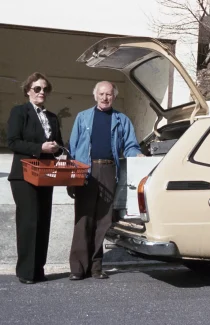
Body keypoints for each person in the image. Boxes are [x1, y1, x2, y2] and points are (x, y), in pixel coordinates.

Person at [67, 81, 143, 280]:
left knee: (103, 220)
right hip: (86, 171)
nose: (105, 97)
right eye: (101, 94)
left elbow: (130, 145)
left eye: (109, 94)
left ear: (114, 97)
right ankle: (77, 268)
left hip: (109, 170)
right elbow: (73, 149)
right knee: (83, 219)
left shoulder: (122, 119)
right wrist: (72, 176)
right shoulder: (83, 117)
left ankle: (95, 267)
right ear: (95, 95)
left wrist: (137, 155)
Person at [7, 72, 63, 284]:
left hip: (45, 174)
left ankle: (39, 269)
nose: (41, 92)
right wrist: (39, 148)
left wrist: (56, 148)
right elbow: (13, 142)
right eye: (37, 88)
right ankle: (25, 272)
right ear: (28, 90)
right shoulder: (19, 112)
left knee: (43, 222)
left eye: (45, 89)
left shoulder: (52, 117)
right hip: (23, 175)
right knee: (29, 222)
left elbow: (58, 144)